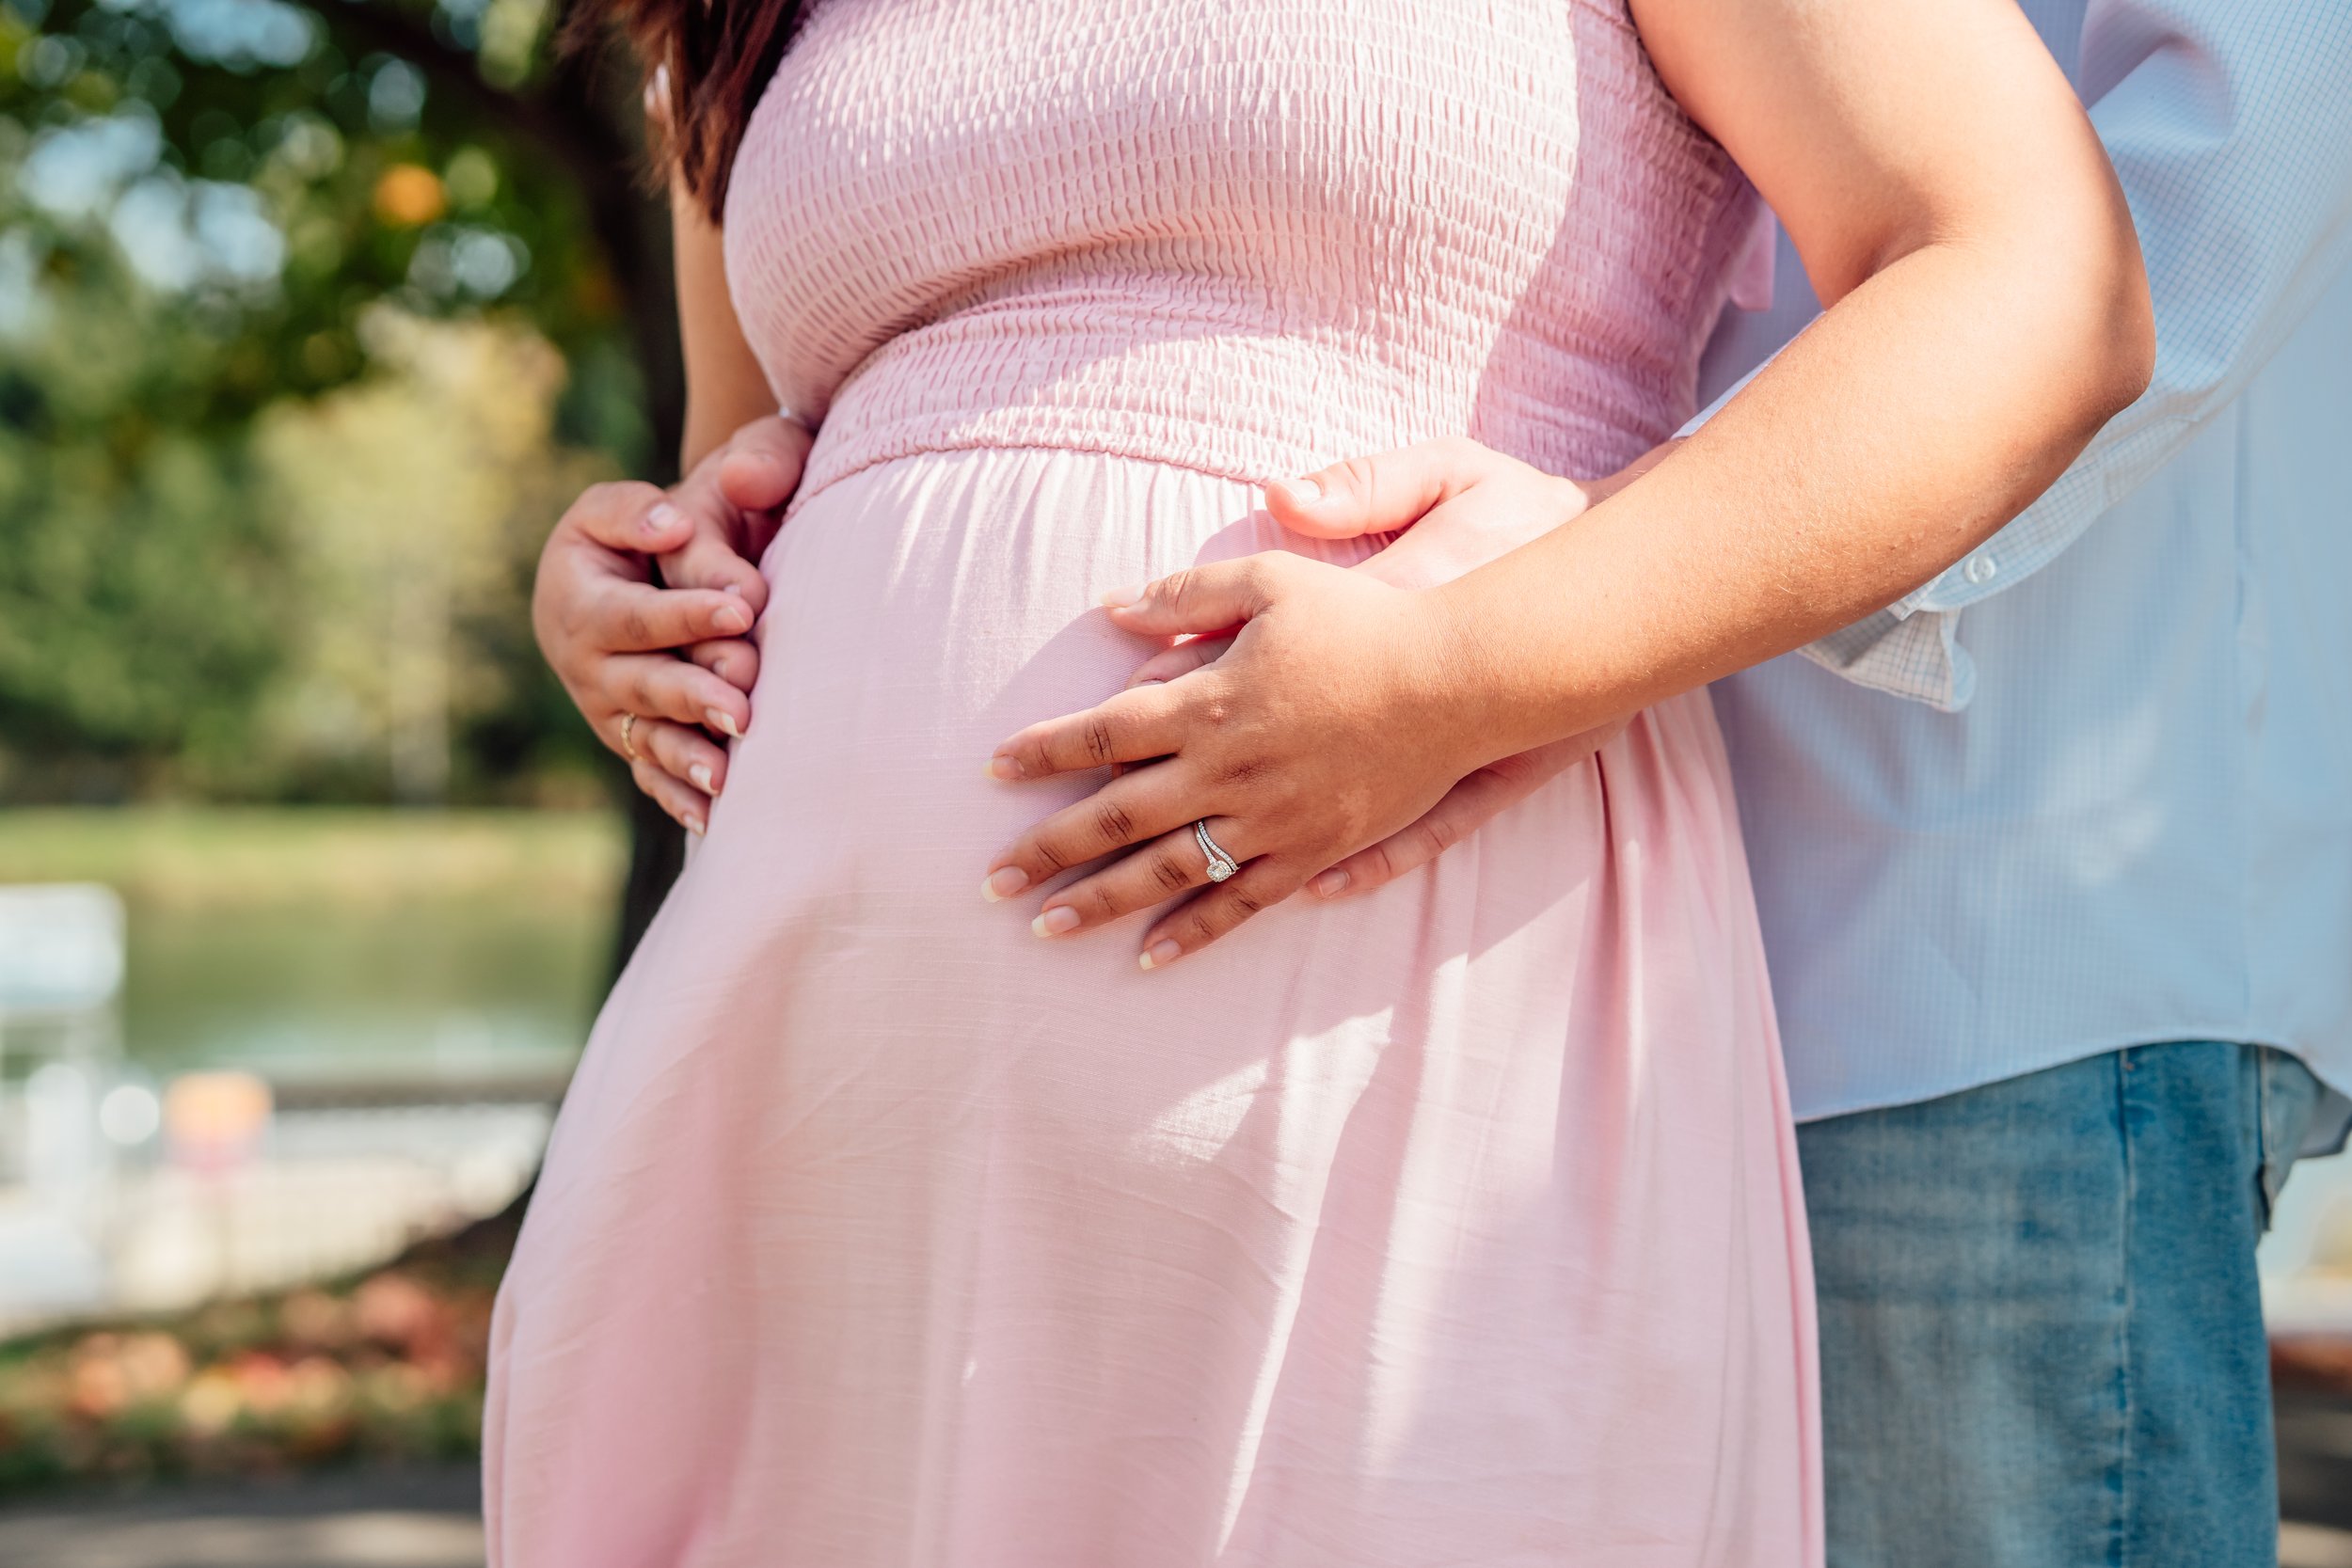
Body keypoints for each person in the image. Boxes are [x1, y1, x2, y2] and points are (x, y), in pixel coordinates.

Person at [495, 2, 2150, 1563]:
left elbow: (2036, 279)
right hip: (801, 1106)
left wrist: (1464, 675)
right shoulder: (730, 15)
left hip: (1398, 998)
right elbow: (751, 451)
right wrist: (640, 585)